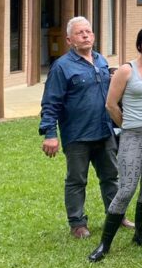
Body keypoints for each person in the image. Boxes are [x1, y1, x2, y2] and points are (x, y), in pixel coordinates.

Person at [89, 26, 142, 262]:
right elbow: (111, 104)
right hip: (133, 136)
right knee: (126, 189)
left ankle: (141, 235)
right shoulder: (126, 71)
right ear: (139, 45)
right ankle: (104, 244)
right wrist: (128, 124)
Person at [39, 16, 121, 239]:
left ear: (93, 36)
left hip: (104, 132)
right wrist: (49, 134)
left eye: (88, 31)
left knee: (111, 176)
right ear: (69, 40)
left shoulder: (101, 61)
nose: (85, 35)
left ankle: (115, 216)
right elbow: (50, 102)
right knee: (77, 180)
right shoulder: (61, 67)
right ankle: (77, 223)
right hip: (77, 135)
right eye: (79, 33)